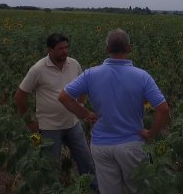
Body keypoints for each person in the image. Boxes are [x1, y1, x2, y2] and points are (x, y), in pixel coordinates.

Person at [59, 28, 170, 194]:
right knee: (138, 189)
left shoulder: (91, 74)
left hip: (101, 145)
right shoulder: (142, 76)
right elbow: (163, 108)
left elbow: (64, 97)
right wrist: (150, 133)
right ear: (129, 48)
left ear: (107, 49)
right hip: (131, 145)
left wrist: (86, 114)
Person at [14, 33, 98, 191]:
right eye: (60, 49)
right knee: (51, 167)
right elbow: (20, 96)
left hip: (72, 123)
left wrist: (79, 106)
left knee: (86, 161)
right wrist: (29, 121)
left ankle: (93, 189)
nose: (65, 52)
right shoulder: (38, 69)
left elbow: (83, 86)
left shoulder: (73, 64)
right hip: (49, 127)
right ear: (49, 50)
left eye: (66, 48)